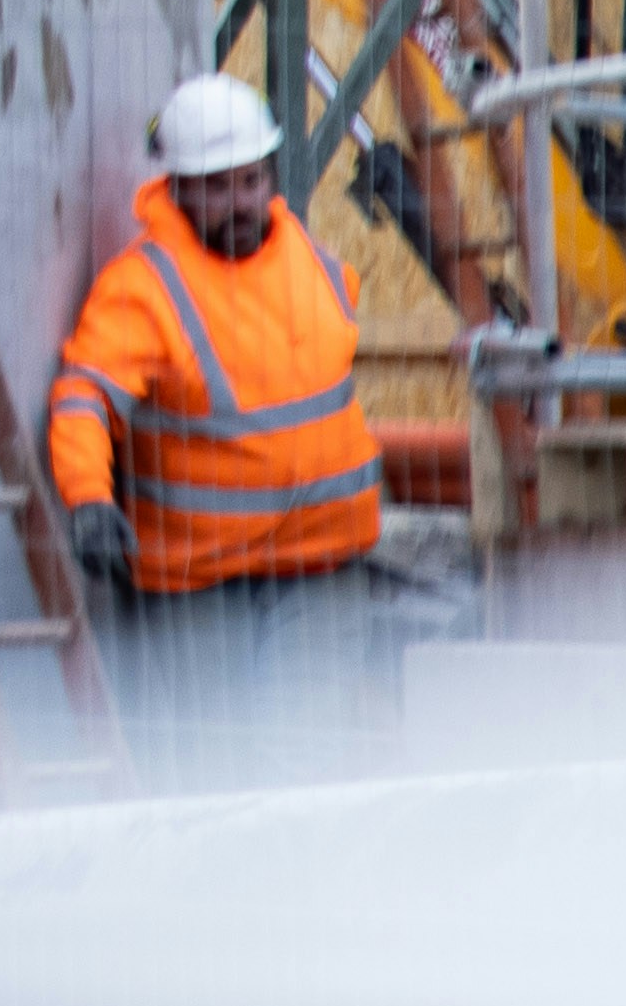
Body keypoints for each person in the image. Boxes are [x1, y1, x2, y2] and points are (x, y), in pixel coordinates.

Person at [52, 70, 384, 770]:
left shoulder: (301, 255)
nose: (238, 204)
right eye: (213, 186)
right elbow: (84, 396)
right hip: (199, 584)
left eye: (248, 181)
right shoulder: (142, 287)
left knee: (313, 771)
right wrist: (86, 498)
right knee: (215, 776)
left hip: (319, 569)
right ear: (175, 188)